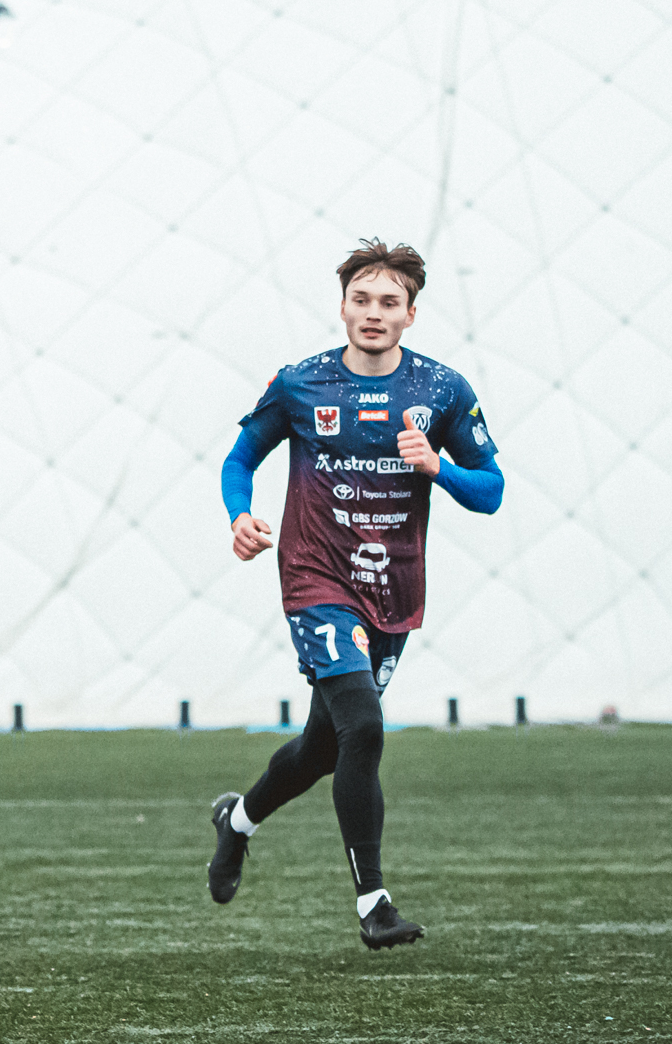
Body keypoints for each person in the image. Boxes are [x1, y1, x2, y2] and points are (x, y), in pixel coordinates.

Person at [209, 239, 504, 948]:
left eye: (389, 302)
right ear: (342, 307)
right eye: (361, 299)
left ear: (410, 315)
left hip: (392, 587)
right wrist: (240, 516)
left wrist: (438, 467)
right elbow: (240, 457)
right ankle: (374, 904)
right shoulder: (301, 383)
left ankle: (237, 821)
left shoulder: (442, 391)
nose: (374, 312)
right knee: (365, 728)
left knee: (324, 746)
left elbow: (491, 492)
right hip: (316, 578)